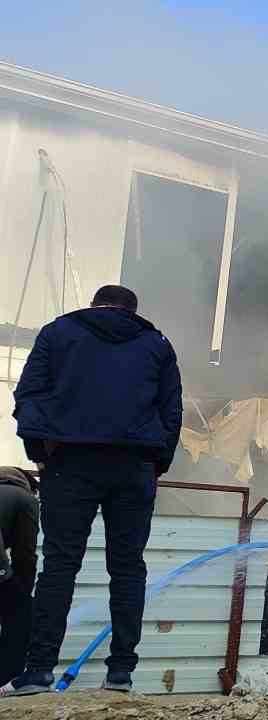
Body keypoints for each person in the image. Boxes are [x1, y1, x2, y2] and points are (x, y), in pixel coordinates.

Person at [4, 285, 182, 696]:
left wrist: (38, 451)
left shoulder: (57, 333)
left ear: (94, 305)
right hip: (134, 466)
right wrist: (157, 463)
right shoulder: (156, 343)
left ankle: (39, 671)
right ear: (132, 312)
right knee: (127, 568)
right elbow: (171, 410)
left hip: (70, 463)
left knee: (60, 566)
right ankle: (120, 673)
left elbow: (29, 393)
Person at [0, 467, 38, 688]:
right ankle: (6, 682)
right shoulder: (25, 499)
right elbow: (25, 554)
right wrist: (22, 590)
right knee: (21, 615)